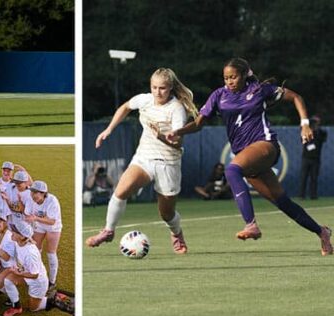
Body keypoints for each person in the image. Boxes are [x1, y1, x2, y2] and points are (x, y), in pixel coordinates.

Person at [168, 58, 332, 255]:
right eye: (226, 78)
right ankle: (322, 232)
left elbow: (296, 97)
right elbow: (199, 123)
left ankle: (251, 225)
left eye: (233, 77)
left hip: (265, 145)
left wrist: (304, 123)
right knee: (283, 203)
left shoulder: (259, 90)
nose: (229, 81)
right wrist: (179, 131)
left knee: (231, 169)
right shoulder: (219, 96)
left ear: (245, 75)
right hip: (248, 157)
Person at [86, 68, 198, 254]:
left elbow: (177, 143)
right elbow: (125, 107)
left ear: (170, 88)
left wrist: (161, 136)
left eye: (162, 88)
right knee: (120, 191)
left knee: (166, 214)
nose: (157, 92)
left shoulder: (177, 109)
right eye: (154, 87)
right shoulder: (145, 100)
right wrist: (108, 130)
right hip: (144, 158)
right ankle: (108, 231)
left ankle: (176, 233)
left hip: (168, 163)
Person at [2, 221, 49, 316]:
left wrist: (18, 273)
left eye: (15, 231)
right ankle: (17, 307)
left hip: (38, 282)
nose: (11, 232)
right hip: (25, 273)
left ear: (22, 236)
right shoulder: (18, 242)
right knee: (8, 281)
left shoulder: (30, 253)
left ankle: (54, 299)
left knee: (33, 308)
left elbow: (35, 275)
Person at [24, 180, 61, 295]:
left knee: (51, 253)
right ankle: (37, 274)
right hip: (39, 225)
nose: (33, 195)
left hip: (53, 227)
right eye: (32, 192)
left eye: (36, 193)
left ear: (43, 193)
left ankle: (52, 281)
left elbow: (51, 221)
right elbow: (28, 214)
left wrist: (36, 218)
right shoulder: (31, 199)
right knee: (36, 250)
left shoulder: (52, 201)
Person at [299, 115, 327, 200]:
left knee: (314, 178)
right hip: (306, 158)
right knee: (303, 177)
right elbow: (303, 139)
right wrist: (308, 127)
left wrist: (317, 130)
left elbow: (323, 138)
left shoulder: (321, 133)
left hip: (315, 159)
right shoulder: (307, 132)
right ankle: (301, 195)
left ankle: (313, 195)